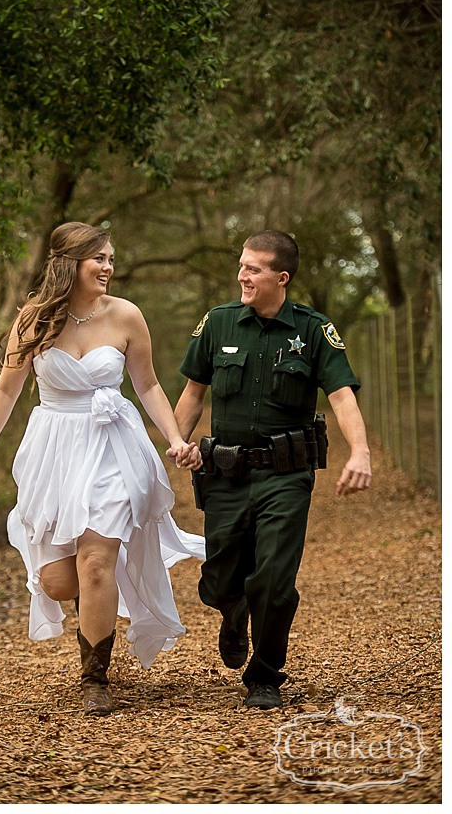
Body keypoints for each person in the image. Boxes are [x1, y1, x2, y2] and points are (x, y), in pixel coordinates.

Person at [0, 222, 205, 716]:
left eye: (111, 259)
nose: (109, 268)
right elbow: (6, 390)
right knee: (58, 580)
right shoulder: (34, 320)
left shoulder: (127, 316)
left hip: (114, 445)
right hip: (54, 448)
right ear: (70, 263)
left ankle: (94, 677)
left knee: (94, 562)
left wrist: (176, 438)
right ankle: (102, 578)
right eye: (100, 259)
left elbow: (149, 386)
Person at [174, 229, 371, 710]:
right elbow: (193, 394)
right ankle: (233, 609)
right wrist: (176, 443)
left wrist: (361, 453)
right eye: (242, 265)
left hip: (286, 476)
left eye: (254, 268)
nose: (242, 274)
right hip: (226, 474)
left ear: (280, 278)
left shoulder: (313, 330)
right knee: (221, 579)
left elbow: (342, 397)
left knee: (275, 579)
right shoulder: (218, 324)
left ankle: (265, 675)